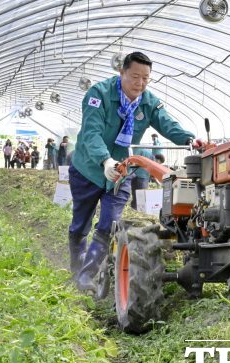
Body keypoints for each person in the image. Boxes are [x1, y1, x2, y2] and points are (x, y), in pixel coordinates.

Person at [68, 51, 200, 293]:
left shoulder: (148, 102)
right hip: (89, 169)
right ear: (122, 73)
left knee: (108, 224)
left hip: (122, 172)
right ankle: (76, 265)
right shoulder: (99, 94)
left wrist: (191, 140)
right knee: (80, 224)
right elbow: (91, 133)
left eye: (146, 78)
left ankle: (87, 276)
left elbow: (168, 124)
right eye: (135, 76)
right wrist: (105, 161)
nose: (140, 83)